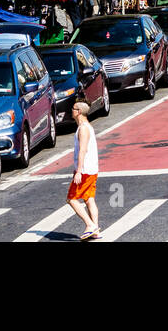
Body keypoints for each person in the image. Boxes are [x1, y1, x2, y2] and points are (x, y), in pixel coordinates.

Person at [66, 101, 101, 240]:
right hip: (91, 169)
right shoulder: (85, 127)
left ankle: (90, 225)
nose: (71, 111)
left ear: (79, 111)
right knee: (89, 199)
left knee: (71, 199)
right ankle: (96, 229)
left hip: (85, 170)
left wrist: (78, 171)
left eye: (73, 109)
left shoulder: (83, 129)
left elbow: (83, 150)